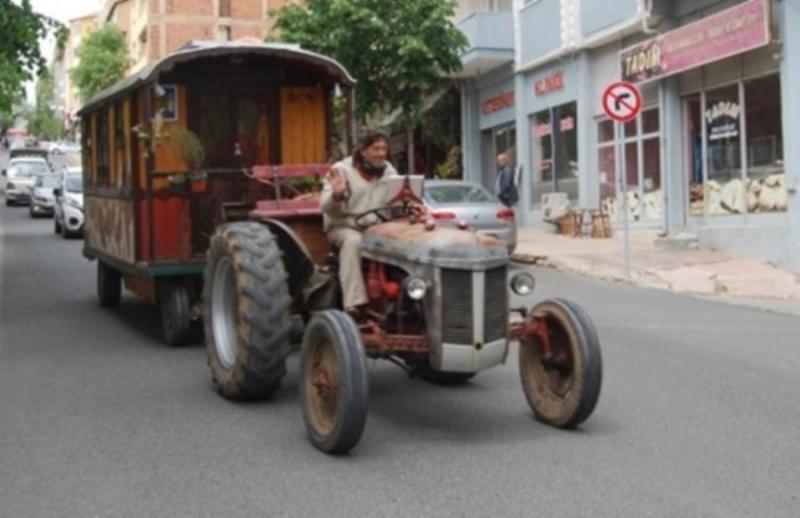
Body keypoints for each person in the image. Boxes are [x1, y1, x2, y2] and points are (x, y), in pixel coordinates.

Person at [321, 131, 398, 315]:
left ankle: (404, 299)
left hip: (376, 228)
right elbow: (327, 207)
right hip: (343, 226)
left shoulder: (389, 170)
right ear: (363, 151)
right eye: (376, 149)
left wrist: (413, 204)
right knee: (353, 241)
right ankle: (354, 304)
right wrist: (337, 194)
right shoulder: (340, 170)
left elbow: (398, 198)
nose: (381, 153)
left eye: (384, 149)